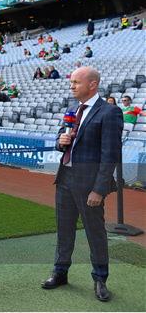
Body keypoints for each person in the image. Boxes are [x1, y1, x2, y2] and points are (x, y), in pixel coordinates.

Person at [43, 66, 123, 302]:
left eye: (76, 82)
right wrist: (61, 140)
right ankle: (60, 272)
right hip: (65, 179)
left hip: (89, 185)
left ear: (92, 84)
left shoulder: (109, 112)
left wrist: (99, 189)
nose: (72, 86)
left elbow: (110, 155)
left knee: (95, 233)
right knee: (63, 230)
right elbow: (62, 140)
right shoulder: (72, 111)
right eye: (71, 82)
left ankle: (100, 279)